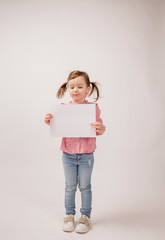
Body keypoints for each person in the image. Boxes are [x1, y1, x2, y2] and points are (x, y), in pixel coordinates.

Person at [44, 70, 105, 233]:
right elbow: (57, 127)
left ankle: (85, 217)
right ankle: (69, 215)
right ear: (67, 88)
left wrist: (100, 128)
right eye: (71, 87)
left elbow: (100, 129)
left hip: (86, 155)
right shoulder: (62, 109)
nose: (75, 90)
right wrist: (50, 121)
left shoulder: (93, 109)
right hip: (68, 154)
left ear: (88, 89)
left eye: (79, 86)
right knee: (70, 186)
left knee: (85, 186)